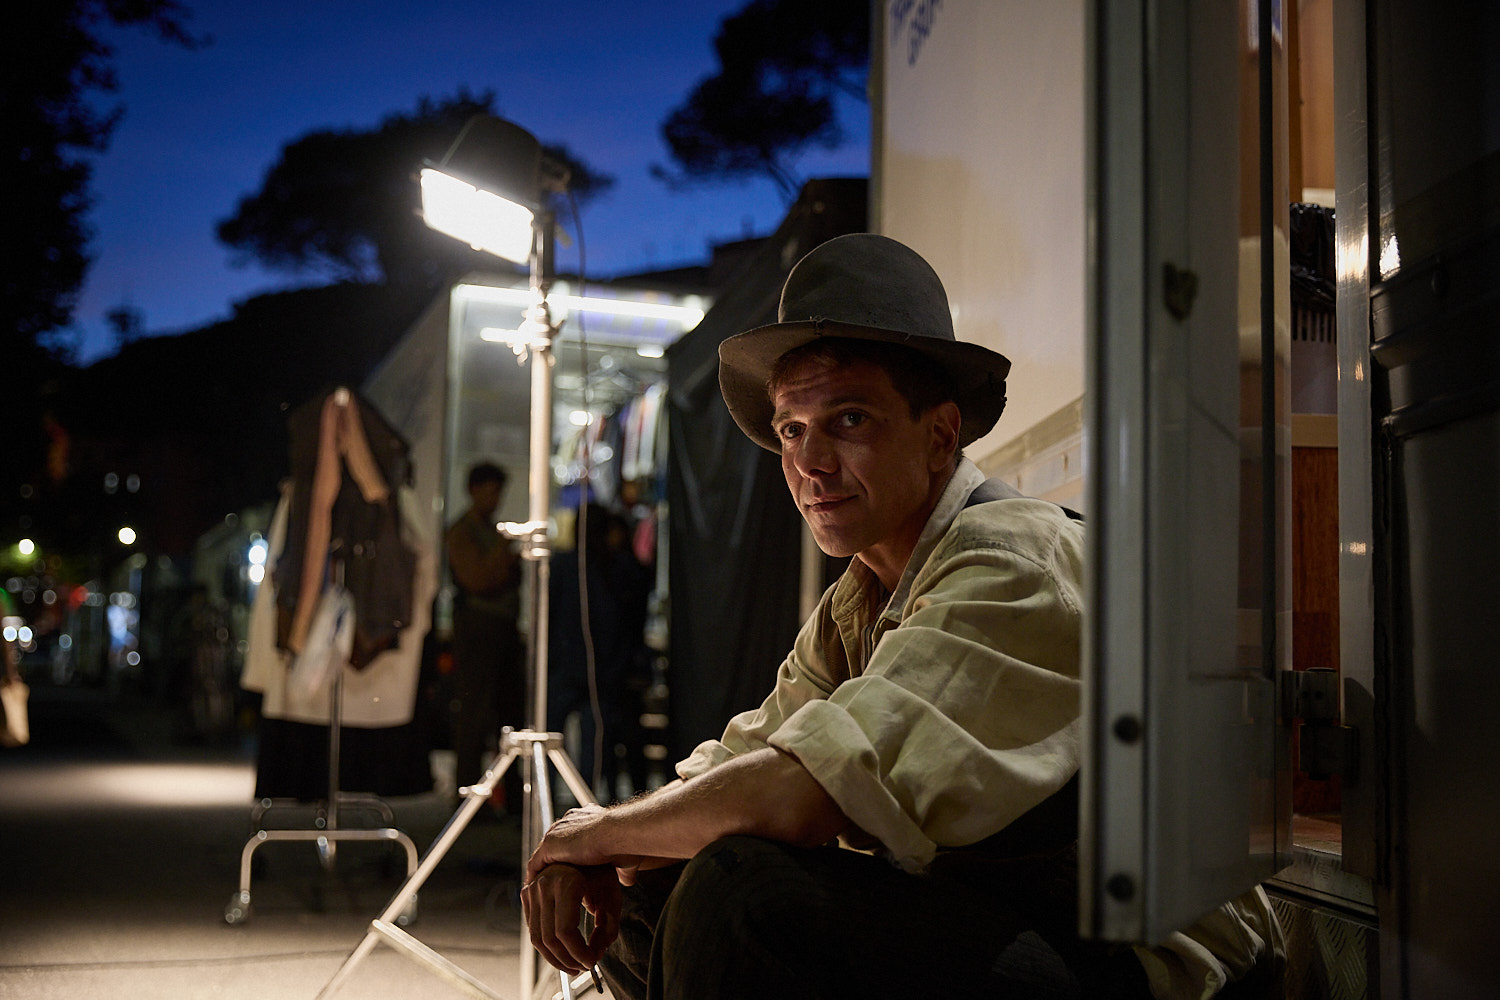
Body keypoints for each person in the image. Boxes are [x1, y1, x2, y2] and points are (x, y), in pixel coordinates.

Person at [521, 234, 1281, 999]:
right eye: (791, 430)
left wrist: (594, 833)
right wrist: (599, 853)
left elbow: (803, 792)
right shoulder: (859, 599)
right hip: (1025, 924)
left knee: (740, 893)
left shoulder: (1012, 559)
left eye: (849, 419)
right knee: (646, 891)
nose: (811, 463)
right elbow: (746, 758)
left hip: (1153, 971)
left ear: (940, 435)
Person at [445, 462, 524, 798]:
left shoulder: (489, 531)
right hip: (477, 630)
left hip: (501, 629)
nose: (495, 499)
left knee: (509, 712)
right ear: (474, 490)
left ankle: (511, 795)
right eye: (490, 491)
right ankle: (469, 793)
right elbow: (477, 578)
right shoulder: (462, 532)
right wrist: (504, 555)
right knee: (474, 714)